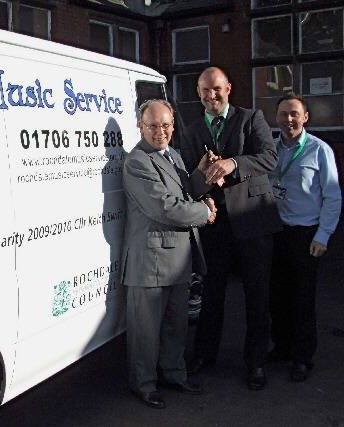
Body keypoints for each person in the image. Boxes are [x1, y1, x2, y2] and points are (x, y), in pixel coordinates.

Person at [181, 66, 282, 390]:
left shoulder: (251, 118)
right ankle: (204, 354)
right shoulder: (192, 130)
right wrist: (204, 177)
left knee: (257, 293)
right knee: (211, 293)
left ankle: (256, 362)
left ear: (229, 88)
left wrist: (233, 164)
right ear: (199, 94)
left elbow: (270, 157)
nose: (212, 96)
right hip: (215, 223)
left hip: (253, 219)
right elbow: (190, 180)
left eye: (217, 89)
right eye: (205, 91)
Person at [121, 99, 216, 409]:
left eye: (165, 125)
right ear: (140, 126)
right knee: (145, 332)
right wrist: (204, 212)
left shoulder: (171, 154)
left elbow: (186, 190)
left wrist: (204, 174)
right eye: (152, 125)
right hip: (150, 263)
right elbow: (165, 207)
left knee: (176, 325)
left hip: (176, 259)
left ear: (173, 127)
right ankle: (144, 385)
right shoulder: (138, 161)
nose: (159, 131)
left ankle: (174, 374)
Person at [267, 94, 341, 382]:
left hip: (305, 233)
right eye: (283, 114)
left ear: (305, 117)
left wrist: (323, 235)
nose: (289, 119)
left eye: (294, 114)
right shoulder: (270, 149)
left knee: (302, 298)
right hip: (276, 232)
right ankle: (282, 347)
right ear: (276, 118)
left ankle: (302, 357)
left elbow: (332, 196)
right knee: (277, 296)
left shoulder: (319, 150)